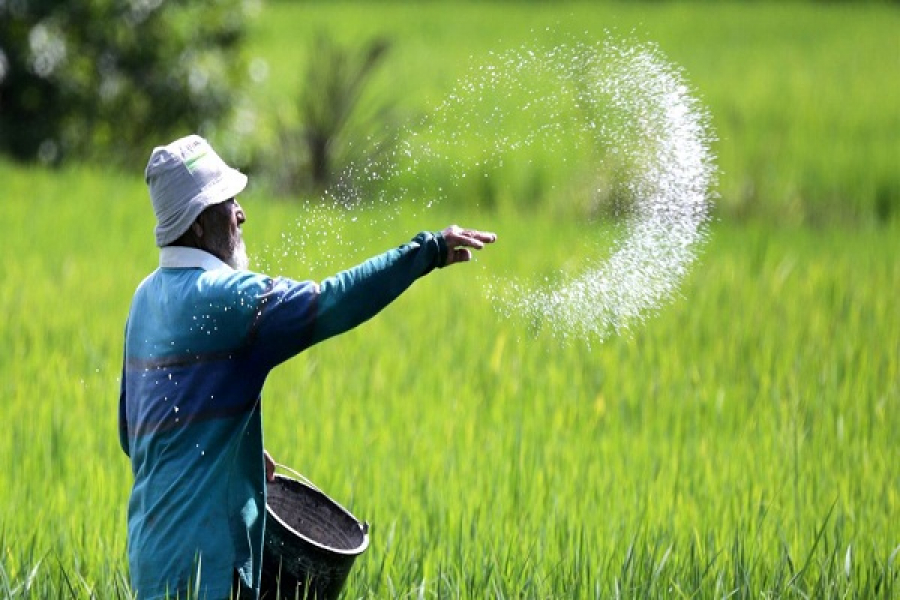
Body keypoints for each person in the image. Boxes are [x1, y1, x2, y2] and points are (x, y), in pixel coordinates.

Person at [118, 134, 496, 600]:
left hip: (151, 561)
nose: (241, 213)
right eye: (227, 202)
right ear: (198, 226)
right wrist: (428, 251)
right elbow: (330, 301)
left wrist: (230, 453)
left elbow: (135, 432)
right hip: (208, 569)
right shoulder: (226, 299)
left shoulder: (146, 299)